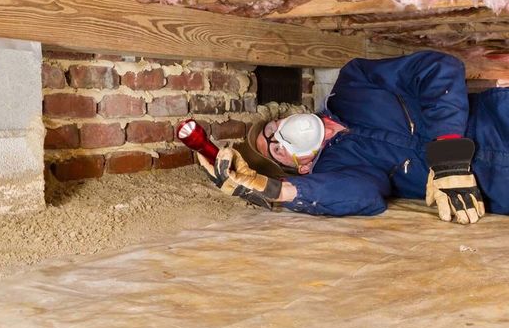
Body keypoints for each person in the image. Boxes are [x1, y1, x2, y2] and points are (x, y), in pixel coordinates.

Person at [198, 50, 509, 224]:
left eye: (273, 128)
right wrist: (274, 189)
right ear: (302, 167)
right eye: (277, 149)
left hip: (499, 120)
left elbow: (437, 68)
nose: (281, 135)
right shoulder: (337, 170)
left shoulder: (353, 82)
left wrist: (449, 155)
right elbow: (363, 197)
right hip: (496, 186)